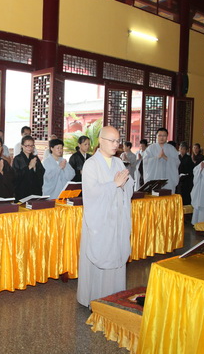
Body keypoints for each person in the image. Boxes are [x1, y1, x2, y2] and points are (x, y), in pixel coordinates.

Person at [77, 126, 134, 308]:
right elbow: (91, 194)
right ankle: (96, 299)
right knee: (100, 258)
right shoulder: (91, 165)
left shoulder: (118, 162)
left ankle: (115, 297)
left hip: (116, 221)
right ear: (101, 141)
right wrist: (114, 185)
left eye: (118, 141)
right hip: (99, 223)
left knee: (115, 257)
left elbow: (128, 186)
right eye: (112, 141)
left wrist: (124, 184)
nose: (116, 145)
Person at [142, 128, 180, 193]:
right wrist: (157, 158)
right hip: (154, 177)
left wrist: (166, 158)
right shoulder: (150, 148)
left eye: (164, 136)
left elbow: (177, 162)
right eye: (160, 135)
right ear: (156, 136)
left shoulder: (171, 148)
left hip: (168, 178)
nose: (162, 138)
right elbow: (145, 162)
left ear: (167, 137)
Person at [12, 135, 44, 202]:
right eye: (27, 146)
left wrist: (35, 168)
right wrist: (29, 167)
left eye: (32, 146)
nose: (29, 148)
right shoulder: (17, 159)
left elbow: (41, 172)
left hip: (35, 191)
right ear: (22, 146)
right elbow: (15, 176)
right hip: (22, 192)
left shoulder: (35, 158)